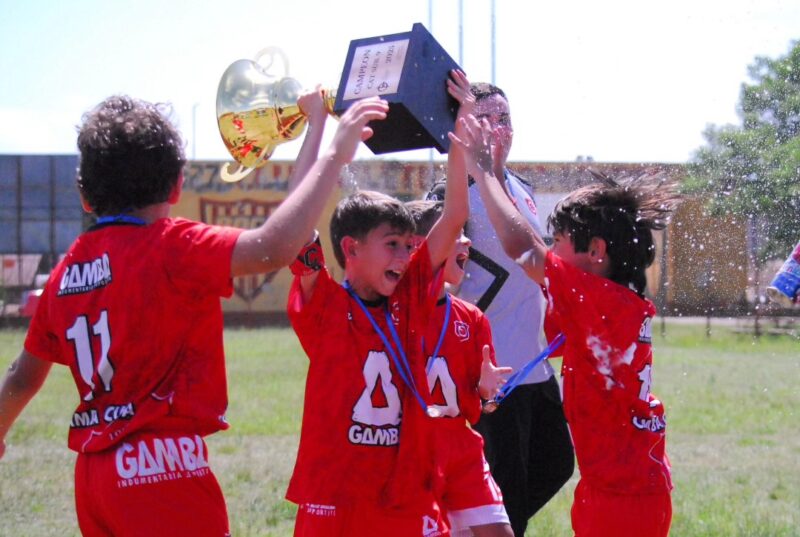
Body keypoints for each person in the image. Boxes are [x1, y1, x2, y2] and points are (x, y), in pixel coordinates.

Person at [0, 91, 388, 536]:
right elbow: (276, 246)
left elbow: (22, 376)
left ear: (85, 196)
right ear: (176, 186)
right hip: (161, 470)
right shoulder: (172, 246)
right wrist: (334, 154)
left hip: (93, 477)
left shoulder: (66, 271)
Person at [449, 115, 679, 537]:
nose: (551, 251)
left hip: (620, 500)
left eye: (559, 242)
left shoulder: (597, 300)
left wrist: (483, 171)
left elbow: (522, 247)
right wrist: (497, 170)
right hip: (627, 488)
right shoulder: (615, 301)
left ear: (596, 251)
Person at [285, 72, 471, 537]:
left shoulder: (409, 300)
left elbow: (454, 216)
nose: (406, 257)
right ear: (350, 248)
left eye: (409, 246)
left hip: (400, 496)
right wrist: (318, 127)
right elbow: (295, 217)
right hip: (334, 498)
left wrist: (458, 135)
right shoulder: (325, 305)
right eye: (392, 245)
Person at [431, 77, 574, 536]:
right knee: (507, 493)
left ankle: (462, 526)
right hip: (490, 371)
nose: (497, 128)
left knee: (556, 463)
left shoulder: (520, 186)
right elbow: (437, 276)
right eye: (484, 119)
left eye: (504, 118)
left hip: (533, 365)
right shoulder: (451, 195)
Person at [406, 199, 513, 537]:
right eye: (456, 234)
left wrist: (486, 392)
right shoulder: (397, 313)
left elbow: (484, 406)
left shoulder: (472, 318)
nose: (467, 241)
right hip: (413, 453)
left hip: (462, 449)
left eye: (465, 233)